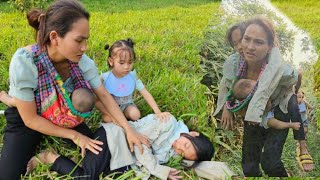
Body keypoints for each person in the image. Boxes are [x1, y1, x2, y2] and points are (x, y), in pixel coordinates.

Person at [0, 1, 147, 179]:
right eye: (79, 40)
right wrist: (75, 136)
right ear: (55, 37)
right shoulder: (25, 61)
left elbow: (103, 95)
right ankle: (12, 103)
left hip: (63, 115)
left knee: (102, 159)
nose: (84, 47)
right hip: (27, 118)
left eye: (86, 40)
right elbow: (30, 118)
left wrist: (128, 129)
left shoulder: (82, 61)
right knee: (8, 175)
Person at [214, 17, 312, 177]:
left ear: (270, 47)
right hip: (253, 113)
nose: (245, 47)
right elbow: (228, 84)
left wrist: (295, 91)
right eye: (243, 40)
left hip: (279, 108)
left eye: (258, 42)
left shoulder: (283, 70)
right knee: (249, 167)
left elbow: (297, 75)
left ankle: (299, 151)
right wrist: (227, 106)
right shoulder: (235, 63)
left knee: (271, 165)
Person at [28, 114, 214, 180]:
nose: (178, 148)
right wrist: (158, 169)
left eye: (182, 153)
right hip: (113, 137)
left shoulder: (174, 150)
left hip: (122, 157)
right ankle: (48, 157)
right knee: (86, 178)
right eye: (185, 144)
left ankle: (83, 160)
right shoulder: (167, 123)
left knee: (107, 176)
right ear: (193, 134)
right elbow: (140, 147)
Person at [97, 38, 170, 121]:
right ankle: (119, 118)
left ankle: (124, 115)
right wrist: (107, 112)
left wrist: (157, 111)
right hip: (111, 109)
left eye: (130, 62)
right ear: (111, 61)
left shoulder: (132, 77)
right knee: (107, 119)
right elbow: (97, 99)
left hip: (127, 106)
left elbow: (145, 93)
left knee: (135, 114)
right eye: (121, 63)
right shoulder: (105, 78)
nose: (126, 67)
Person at [232, 79, 301, 130]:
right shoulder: (260, 116)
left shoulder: (264, 82)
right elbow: (276, 124)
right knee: (272, 122)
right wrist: (290, 125)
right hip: (261, 116)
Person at [0, 87, 95, 113]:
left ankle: (7, 100)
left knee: (24, 102)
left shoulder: (64, 102)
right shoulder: (77, 117)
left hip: (41, 106)